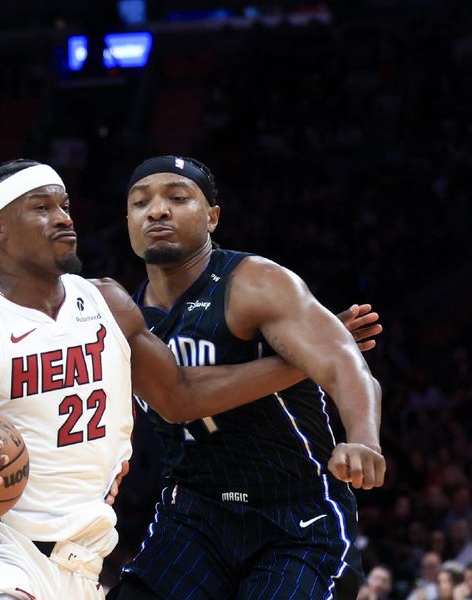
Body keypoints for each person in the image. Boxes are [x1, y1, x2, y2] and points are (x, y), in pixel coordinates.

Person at [0, 159, 376, 600]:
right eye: (42, 208)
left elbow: (181, 397)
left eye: (65, 205)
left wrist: (308, 362)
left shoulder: (108, 303)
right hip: (1, 555)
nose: (64, 218)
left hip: (88, 564)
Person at [110, 155, 387, 600]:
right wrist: (298, 364)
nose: (157, 210)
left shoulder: (253, 282)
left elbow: (343, 362)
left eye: (177, 198)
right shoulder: (125, 315)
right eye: (141, 202)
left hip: (295, 516)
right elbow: (179, 398)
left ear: (213, 217)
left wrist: (363, 438)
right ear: (128, 220)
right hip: (194, 515)